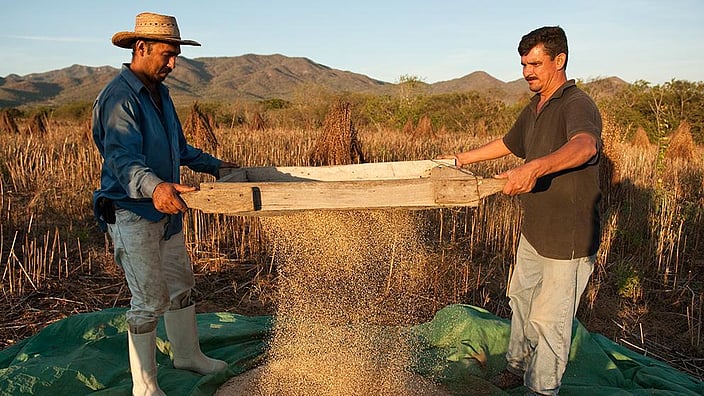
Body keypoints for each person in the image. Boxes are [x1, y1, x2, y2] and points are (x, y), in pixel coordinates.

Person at [439, 26, 602, 395]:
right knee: (521, 301)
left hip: (568, 238)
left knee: (550, 321)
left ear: (559, 60)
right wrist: (462, 158)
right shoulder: (536, 106)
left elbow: (586, 145)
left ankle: (541, 390)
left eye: (535, 63)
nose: (527, 71)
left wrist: (535, 167)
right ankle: (515, 368)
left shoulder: (577, 104)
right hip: (535, 230)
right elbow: (510, 143)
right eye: (524, 64)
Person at [92, 12, 239, 395]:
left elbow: (179, 146)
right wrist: (156, 188)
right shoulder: (119, 98)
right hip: (133, 211)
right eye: (167, 55)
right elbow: (122, 161)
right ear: (141, 48)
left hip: (166, 210)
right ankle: (145, 385)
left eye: (176, 55)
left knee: (181, 286)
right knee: (148, 299)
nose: (173, 64)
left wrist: (214, 166)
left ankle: (187, 355)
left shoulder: (161, 93)